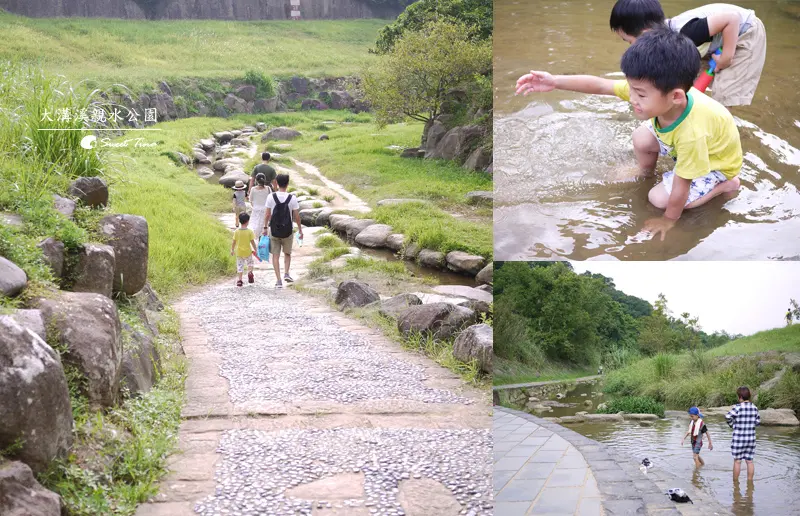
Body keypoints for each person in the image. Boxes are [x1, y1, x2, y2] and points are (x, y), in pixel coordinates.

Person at [515, 28, 742, 241]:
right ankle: (645, 172)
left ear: (675, 97)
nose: (632, 98)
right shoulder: (651, 91)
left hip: (715, 164)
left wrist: (668, 221)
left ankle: (726, 186)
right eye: (631, 88)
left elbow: (682, 186)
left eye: (640, 95)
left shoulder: (692, 134)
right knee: (641, 138)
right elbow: (601, 85)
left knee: (659, 199)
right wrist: (555, 82)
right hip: (689, 141)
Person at [609, 0, 766, 107]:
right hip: (715, 37)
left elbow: (732, 19)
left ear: (645, 33)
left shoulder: (687, 33)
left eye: (628, 41)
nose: (631, 48)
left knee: (724, 94)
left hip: (745, 32)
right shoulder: (666, 39)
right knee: (685, 78)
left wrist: (726, 57)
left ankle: (721, 132)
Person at [263, 173, 303, 289]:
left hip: (274, 230)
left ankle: (278, 280)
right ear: (287, 184)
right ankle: (286, 273)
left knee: (275, 255)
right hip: (287, 231)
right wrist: (300, 230)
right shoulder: (292, 198)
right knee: (287, 253)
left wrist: (265, 228)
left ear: (276, 182)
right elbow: (296, 216)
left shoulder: (271, 197)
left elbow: (267, 214)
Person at [725, 386, 760, 482]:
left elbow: (727, 416)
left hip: (739, 438)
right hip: (751, 439)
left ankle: (735, 484)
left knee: (737, 461)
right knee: (749, 461)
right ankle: (750, 483)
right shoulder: (754, 407)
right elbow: (757, 422)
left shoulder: (738, 407)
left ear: (740, 396)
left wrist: (733, 425)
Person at [230, 212, 260, 287]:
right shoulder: (249, 231)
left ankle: (239, 280)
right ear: (247, 221)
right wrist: (256, 250)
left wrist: (232, 249)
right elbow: (252, 242)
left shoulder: (237, 231)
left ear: (239, 221)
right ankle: (250, 272)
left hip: (239, 252)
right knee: (250, 263)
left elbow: (234, 242)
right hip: (248, 252)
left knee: (240, 266)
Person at [249, 172, 272, 240]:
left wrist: (255, 206)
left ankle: (254, 244)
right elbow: (271, 200)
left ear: (256, 180)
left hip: (256, 210)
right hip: (266, 210)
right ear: (264, 180)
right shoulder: (268, 188)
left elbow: (250, 200)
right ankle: (263, 244)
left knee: (254, 226)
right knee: (264, 226)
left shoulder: (253, 189)